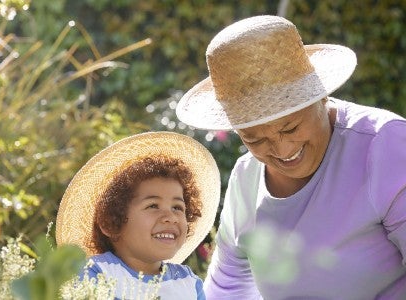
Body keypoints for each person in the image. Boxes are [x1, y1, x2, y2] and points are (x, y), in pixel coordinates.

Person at [176, 15, 406, 299]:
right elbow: (228, 285)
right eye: (255, 139)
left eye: (291, 127)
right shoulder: (246, 177)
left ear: (321, 95)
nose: (283, 150)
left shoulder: (384, 145)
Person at [55, 131, 221, 299]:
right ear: (111, 221)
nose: (170, 216)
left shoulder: (188, 283)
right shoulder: (96, 274)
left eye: (178, 207)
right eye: (153, 205)